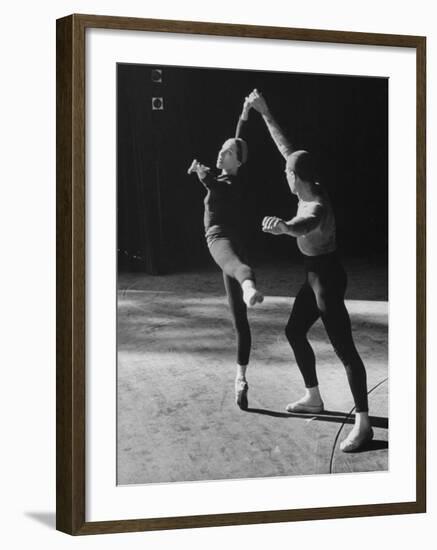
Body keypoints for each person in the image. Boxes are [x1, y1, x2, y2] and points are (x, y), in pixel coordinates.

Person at [247, 89, 373, 452]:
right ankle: (314, 398)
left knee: (345, 350)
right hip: (315, 275)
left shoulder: (315, 204)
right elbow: (285, 147)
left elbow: (305, 224)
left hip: (327, 279)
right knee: (293, 330)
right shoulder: (307, 182)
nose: (283, 172)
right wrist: (264, 111)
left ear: (294, 177)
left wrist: (284, 228)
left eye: (286, 172)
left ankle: (363, 424)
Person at [188, 97, 263, 410]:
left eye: (228, 152)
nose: (221, 153)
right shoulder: (228, 170)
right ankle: (241, 377)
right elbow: (234, 138)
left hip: (219, 240)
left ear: (238, 161)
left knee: (236, 267)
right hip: (234, 245)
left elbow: (215, 187)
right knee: (239, 322)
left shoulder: (230, 181)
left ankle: (248, 285)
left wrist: (199, 173)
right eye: (221, 148)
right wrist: (243, 116)